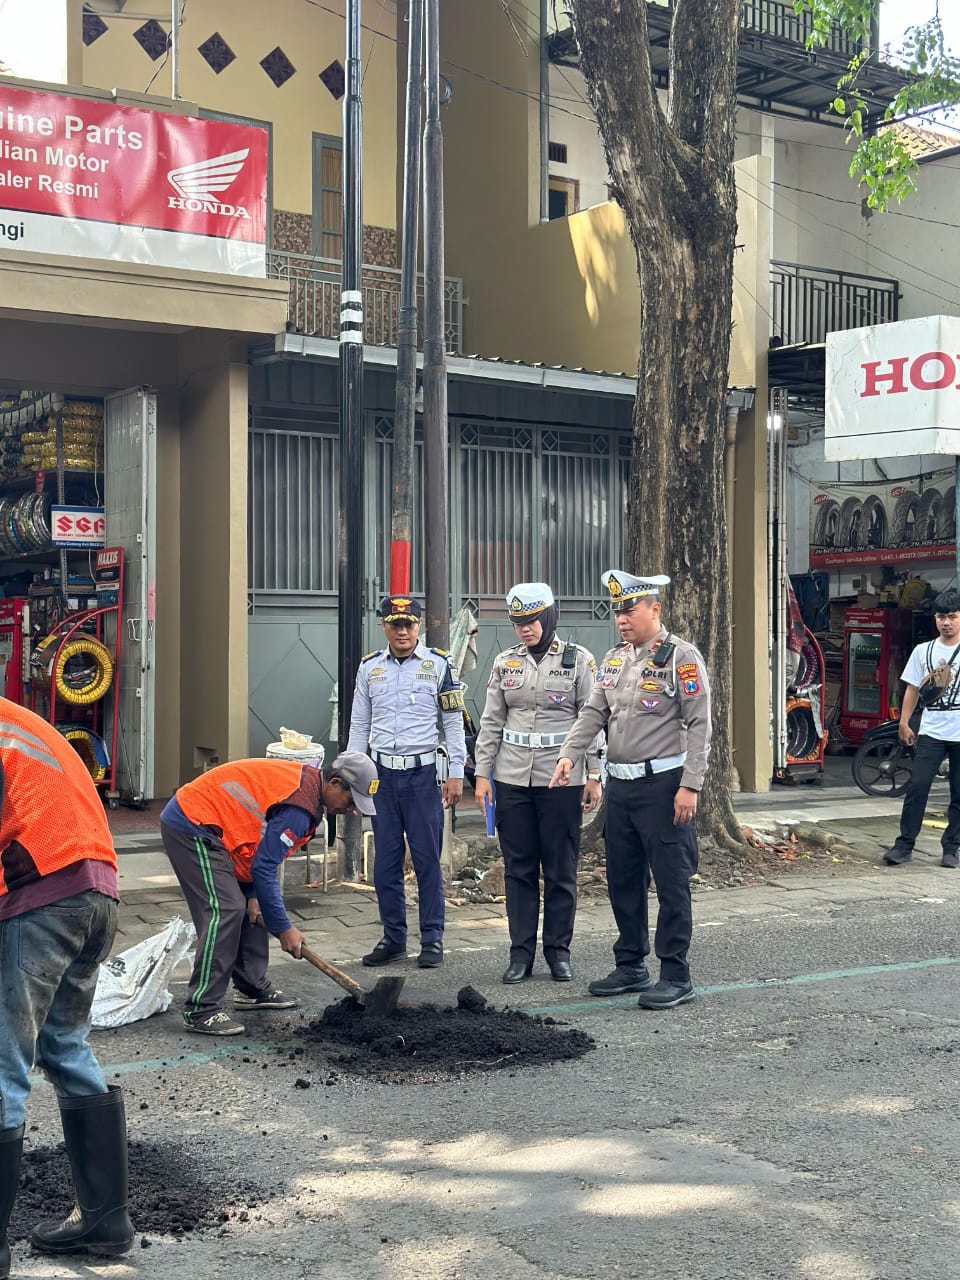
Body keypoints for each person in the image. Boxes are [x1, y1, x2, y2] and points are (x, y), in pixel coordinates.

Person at [0, 698, 134, 1273]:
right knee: (64, 1045)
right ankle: (106, 1220)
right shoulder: (18, 721)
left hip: (44, 895)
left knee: (3, 1062)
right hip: (97, 891)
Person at [550, 570, 712, 1010]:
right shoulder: (615, 659)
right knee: (624, 880)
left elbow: (699, 724)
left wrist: (691, 786)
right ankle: (631, 965)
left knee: (672, 883)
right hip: (621, 788)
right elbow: (592, 712)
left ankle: (676, 973)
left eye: (630, 609)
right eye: (617, 610)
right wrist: (570, 754)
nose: (622, 618)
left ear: (654, 609)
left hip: (664, 786)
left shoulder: (681, 657)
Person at [160, 752, 378, 1035]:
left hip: (227, 835)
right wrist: (283, 928)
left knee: (252, 908)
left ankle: (251, 989)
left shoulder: (310, 795)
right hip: (193, 823)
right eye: (351, 802)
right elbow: (265, 866)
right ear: (335, 784)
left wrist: (253, 894)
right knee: (225, 909)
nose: (352, 810)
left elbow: (258, 846)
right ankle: (202, 1009)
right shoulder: (299, 808)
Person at [472, 582, 602, 984]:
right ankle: (520, 953)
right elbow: (492, 721)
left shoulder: (579, 660)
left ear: (548, 617)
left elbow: (592, 717)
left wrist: (595, 773)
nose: (525, 629)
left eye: (531, 621)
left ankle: (558, 952)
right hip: (512, 778)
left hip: (560, 779)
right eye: (517, 623)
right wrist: (481, 775)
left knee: (561, 868)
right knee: (519, 868)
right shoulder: (504, 663)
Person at [347, 594, 466, 969]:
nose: (402, 630)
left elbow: (452, 724)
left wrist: (457, 773)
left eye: (409, 624)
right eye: (395, 624)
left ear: (419, 626)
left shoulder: (439, 665)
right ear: (383, 625)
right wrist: (353, 775)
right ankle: (394, 937)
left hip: (422, 776)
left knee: (428, 859)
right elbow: (359, 726)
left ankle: (432, 939)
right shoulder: (370, 668)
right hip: (381, 778)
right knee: (385, 863)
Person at [884, 588, 960, 869]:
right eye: (941, 617)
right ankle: (904, 845)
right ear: (935, 619)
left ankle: (951, 847)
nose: (946, 622)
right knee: (917, 787)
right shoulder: (923, 651)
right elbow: (912, 689)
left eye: (952, 616)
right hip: (931, 730)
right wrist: (903, 723)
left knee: (959, 793)